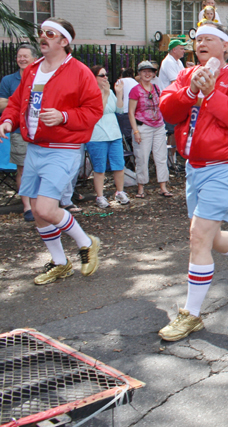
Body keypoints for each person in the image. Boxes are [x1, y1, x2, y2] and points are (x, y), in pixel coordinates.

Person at [158, 21, 228, 341]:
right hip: (194, 167)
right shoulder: (185, 75)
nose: (201, 43)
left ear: (226, 46)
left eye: (210, 39)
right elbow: (168, 111)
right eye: (199, 39)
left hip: (226, 166)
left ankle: (191, 315)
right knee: (211, 237)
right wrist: (190, 90)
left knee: (198, 236)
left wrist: (210, 95)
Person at [0, 18, 103, 285]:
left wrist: (64, 116)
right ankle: (60, 262)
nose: (42, 37)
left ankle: (85, 242)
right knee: (36, 211)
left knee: (46, 207)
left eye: (49, 33)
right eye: (41, 33)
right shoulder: (33, 69)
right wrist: (8, 121)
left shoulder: (80, 72)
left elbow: (94, 111)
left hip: (63, 148)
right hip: (35, 147)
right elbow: (15, 103)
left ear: (64, 41)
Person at [0, 43, 38, 221]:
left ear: (34, 59)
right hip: (18, 131)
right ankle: (27, 207)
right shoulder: (9, 80)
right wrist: (23, 104)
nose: (21, 59)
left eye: (25, 56)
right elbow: (2, 104)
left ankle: (40, 204)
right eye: (19, 56)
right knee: (22, 169)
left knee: (39, 169)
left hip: (40, 131)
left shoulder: (40, 78)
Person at [86, 66, 130, 208]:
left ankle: (120, 192)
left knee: (119, 165)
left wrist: (118, 94)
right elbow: (98, 111)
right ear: (94, 77)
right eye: (101, 75)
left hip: (114, 133)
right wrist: (104, 94)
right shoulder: (89, 93)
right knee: (99, 168)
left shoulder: (109, 91)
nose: (105, 77)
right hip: (97, 135)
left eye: (106, 74)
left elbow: (119, 109)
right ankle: (100, 196)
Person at [129, 61, 171, 198]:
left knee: (161, 156)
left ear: (154, 74)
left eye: (150, 71)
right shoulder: (135, 90)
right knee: (142, 157)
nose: (147, 74)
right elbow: (131, 112)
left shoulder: (156, 88)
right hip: (143, 126)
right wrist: (135, 131)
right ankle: (141, 187)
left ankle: (163, 186)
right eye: (144, 71)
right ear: (139, 74)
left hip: (158, 125)